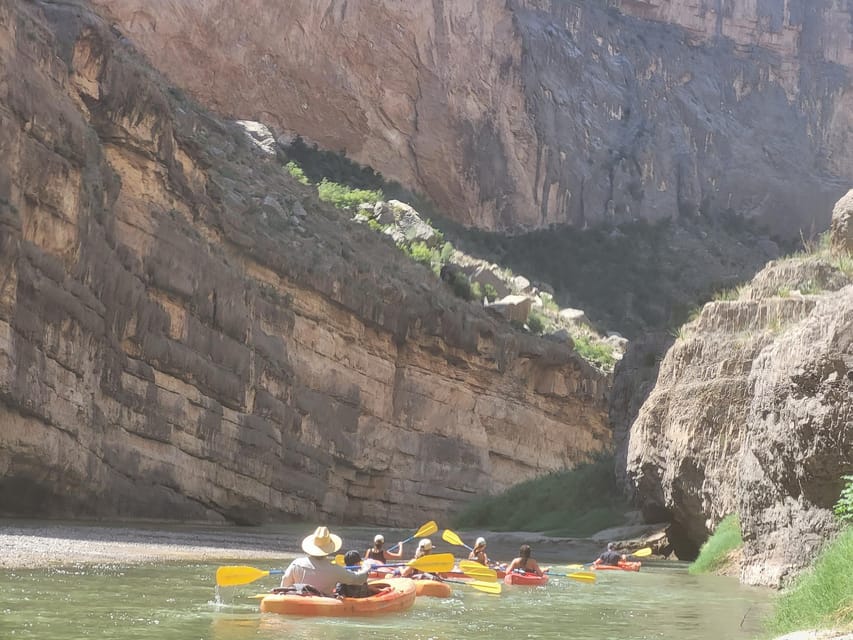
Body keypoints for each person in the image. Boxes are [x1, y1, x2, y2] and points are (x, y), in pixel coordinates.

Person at [279, 526, 370, 596]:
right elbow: (358, 579)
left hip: (298, 601)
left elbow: (284, 586)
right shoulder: (335, 569)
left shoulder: (296, 564)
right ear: (329, 549)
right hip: (323, 605)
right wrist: (366, 569)